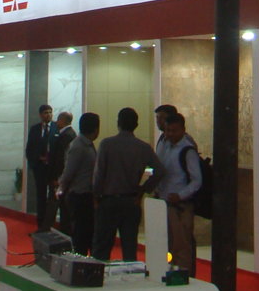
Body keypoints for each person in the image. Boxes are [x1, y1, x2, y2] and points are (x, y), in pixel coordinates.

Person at [92, 106, 161, 262]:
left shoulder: (107, 144)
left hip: (108, 200)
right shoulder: (143, 147)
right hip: (131, 200)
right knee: (129, 247)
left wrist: (95, 197)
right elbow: (159, 170)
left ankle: (97, 273)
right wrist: (143, 189)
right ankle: (131, 275)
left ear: (118, 123)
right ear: (136, 125)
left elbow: (99, 174)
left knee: (102, 246)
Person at [156, 111, 202, 276]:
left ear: (183, 130)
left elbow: (197, 181)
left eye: (174, 131)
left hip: (180, 207)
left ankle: (185, 278)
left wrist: (180, 195)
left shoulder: (187, 150)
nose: (170, 134)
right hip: (163, 203)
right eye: (168, 130)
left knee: (181, 245)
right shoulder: (164, 145)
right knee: (167, 245)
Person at [56, 112, 100, 254]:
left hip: (86, 195)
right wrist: (61, 187)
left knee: (87, 233)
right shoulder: (78, 146)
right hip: (79, 196)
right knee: (80, 235)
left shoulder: (87, 144)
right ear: (95, 129)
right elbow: (69, 172)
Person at [26, 104, 59, 230]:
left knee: (53, 197)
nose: (48, 115)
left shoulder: (57, 127)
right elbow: (29, 149)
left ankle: (50, 224)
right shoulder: (35, 129)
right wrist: (38, 159)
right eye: (46, 112)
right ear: (40, 115)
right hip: (39, 167)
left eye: (50, 112)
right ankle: (40, 224)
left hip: (53, 168)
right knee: (41, 196)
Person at [51, 111, 76, 231]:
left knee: (64, 206)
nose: (56, 122)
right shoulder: (69, 134)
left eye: (58, 119)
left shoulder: (66, 135)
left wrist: (58, 178)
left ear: (62, 120)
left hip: (62, 177)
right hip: (64, 177)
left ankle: (65, 230)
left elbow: (61, 158)